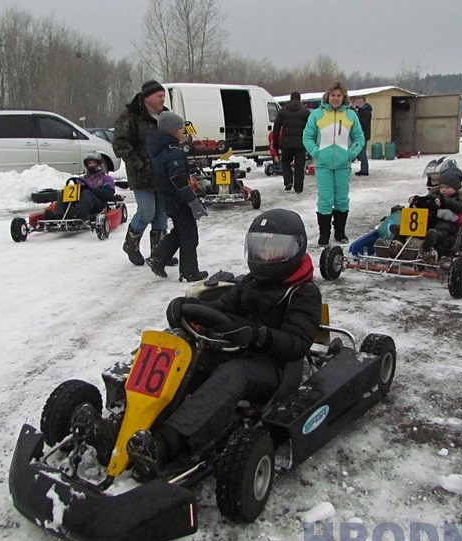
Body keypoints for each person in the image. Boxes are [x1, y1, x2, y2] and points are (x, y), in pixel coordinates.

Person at [126, 208, 322, 481]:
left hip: (274, 366)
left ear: (295, 250)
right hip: (236, 349)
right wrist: (190, 309)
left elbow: (298, 343)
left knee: (231, 375)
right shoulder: (249, 283)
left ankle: (165, 446)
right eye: (259, 249)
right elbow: (220, 308)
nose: (265, 257)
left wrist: (257, 335)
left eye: (274, 250)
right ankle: (123, 419)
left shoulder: (303, 293)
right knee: (183, 351)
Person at [113, 80, 175, 267]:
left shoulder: (165, 116)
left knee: (161, 214)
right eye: (159, 96)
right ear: (147, 97)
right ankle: (131, 244)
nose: (163, 99)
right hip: (141, 174)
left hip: (162, 173)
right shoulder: (130, 117)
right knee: (147, 211)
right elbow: (120, 144)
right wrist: (139, 165)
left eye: (164, 96)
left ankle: (159, 254)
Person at [145, 111, 209, 282]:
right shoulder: (173, 152)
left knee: (180, 231)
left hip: (168, 198)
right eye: (180, 129)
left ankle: (158, 257)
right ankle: (189, 272)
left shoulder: (159, 150)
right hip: (178, 200)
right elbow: (178, 180)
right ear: (172, 131)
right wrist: (193, 202)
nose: (183, 132)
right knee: (189, 234)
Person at [302, 81, 365, 246]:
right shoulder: (316, 114)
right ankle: (324, 235)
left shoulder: (351, 116)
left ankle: (340, 232)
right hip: (323, 165)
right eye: (333, 95)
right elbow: (307, 136)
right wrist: (316, 152)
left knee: (342, 199)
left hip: (343, 165)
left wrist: (350, 154)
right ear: (327, 96)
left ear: (344, 97)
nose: (336, 98)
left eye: (339, 95)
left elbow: (359, 138)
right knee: (325, 199)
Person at [409, 167, 462, 261]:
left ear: (456, 187)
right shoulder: (437, 195)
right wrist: (417, 200)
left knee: (444, 234)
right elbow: (428, 202)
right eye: (442, 187)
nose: (444, 190)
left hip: (451, 229)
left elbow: (458, 206)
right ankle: (399, 241)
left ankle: (434, 252)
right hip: (434, 224)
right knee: (421, 222)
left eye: (447, 188)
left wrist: (444, 202)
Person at [49, 152, 116, 220]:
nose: (91, 165)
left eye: (93, 163)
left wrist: (90, 190)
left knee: (86, 193)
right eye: (89, 163)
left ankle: (79, 218)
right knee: (64, 193)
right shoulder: (81, 179)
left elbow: (108, 194)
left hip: (98, 204)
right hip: (80, 204)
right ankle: (59, 216)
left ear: (99, 163)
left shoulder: (106, 178)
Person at [272, 91, 310, 192]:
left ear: (290, 98)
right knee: (299, 165)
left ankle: (288, 181)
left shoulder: (283, 111)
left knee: (285, 162)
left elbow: (276, 128)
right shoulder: (305, 112)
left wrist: (275, 142)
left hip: (286, 143)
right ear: (299, 99)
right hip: (301, 143)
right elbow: (311, 128)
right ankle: (298, 187)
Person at [351, 95, 372, 176]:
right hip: (362, 134)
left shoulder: (366, 111)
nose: (358, 104)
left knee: (362, 152)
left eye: (360, 102)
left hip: (363, 134)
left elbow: (362, 123)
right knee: (361, 152)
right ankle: (363, 168)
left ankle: (364, 169)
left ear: (364, 102)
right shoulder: (361, 110)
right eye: (357, 102)